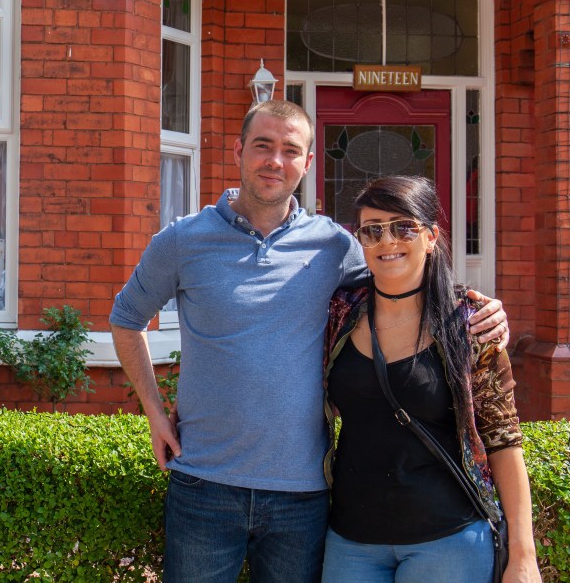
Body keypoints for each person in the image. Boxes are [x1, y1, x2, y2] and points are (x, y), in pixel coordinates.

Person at [109, 100, 509, 583]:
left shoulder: (334, 245)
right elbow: (126, 318)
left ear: (307, 162)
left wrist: (474, 306)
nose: (275, 161)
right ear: (238, 151)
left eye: (290, 150)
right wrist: (154, 412)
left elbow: (402, 275)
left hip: (302, 496)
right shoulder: (183, 241)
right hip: (203, 483)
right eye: (263, 146)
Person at [322, 176, 540, 583]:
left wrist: (524, 557)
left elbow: (503, 440)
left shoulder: (470, 325)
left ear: (431, 237)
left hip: (449, 543)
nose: (388, 241)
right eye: (372, 230)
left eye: (403, 227)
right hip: (351, 542)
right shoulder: (339, 314)